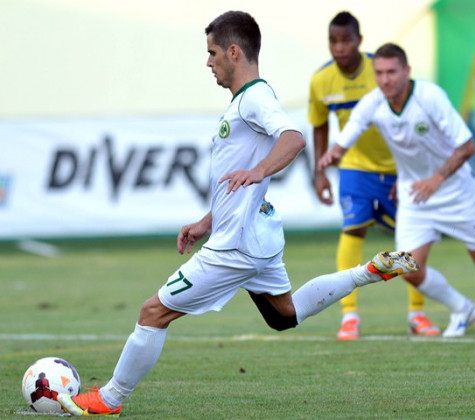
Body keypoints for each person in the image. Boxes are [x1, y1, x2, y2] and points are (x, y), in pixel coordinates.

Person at [56, 11, 418, 417]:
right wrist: (207, 220)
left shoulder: (256, 98)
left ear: (233, 51)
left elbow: (295, 138)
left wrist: (259, 170)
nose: (208, 62)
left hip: (237, 246)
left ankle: (110, 398)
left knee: (152, 312)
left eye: (212, 52)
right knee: (285, 316)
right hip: (255, 234)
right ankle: (368, 272)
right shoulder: (243, 103)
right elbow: (239, 173)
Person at [319, 43, 475, 337]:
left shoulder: (429, 97)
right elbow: (348, 135)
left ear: (407, 71)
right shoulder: (373, 102)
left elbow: (467, 146)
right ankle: (462, 308)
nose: (385, 79)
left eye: (391, 72)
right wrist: (331, 155)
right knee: (405, 267)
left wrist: (436, 179)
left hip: (456, 190)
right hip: (416, 196)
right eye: (379, 73)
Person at [308, 11, 436, 340]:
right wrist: (319, 173)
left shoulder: (379, 72)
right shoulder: (321, 81)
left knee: (411, 242)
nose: (339, 47)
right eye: (333, 41)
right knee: (352, 231)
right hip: (355, 167)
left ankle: (416, 313)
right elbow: (319, 125)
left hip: (399, 170)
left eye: (346, 40)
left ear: (359, 41)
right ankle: (349, 315)